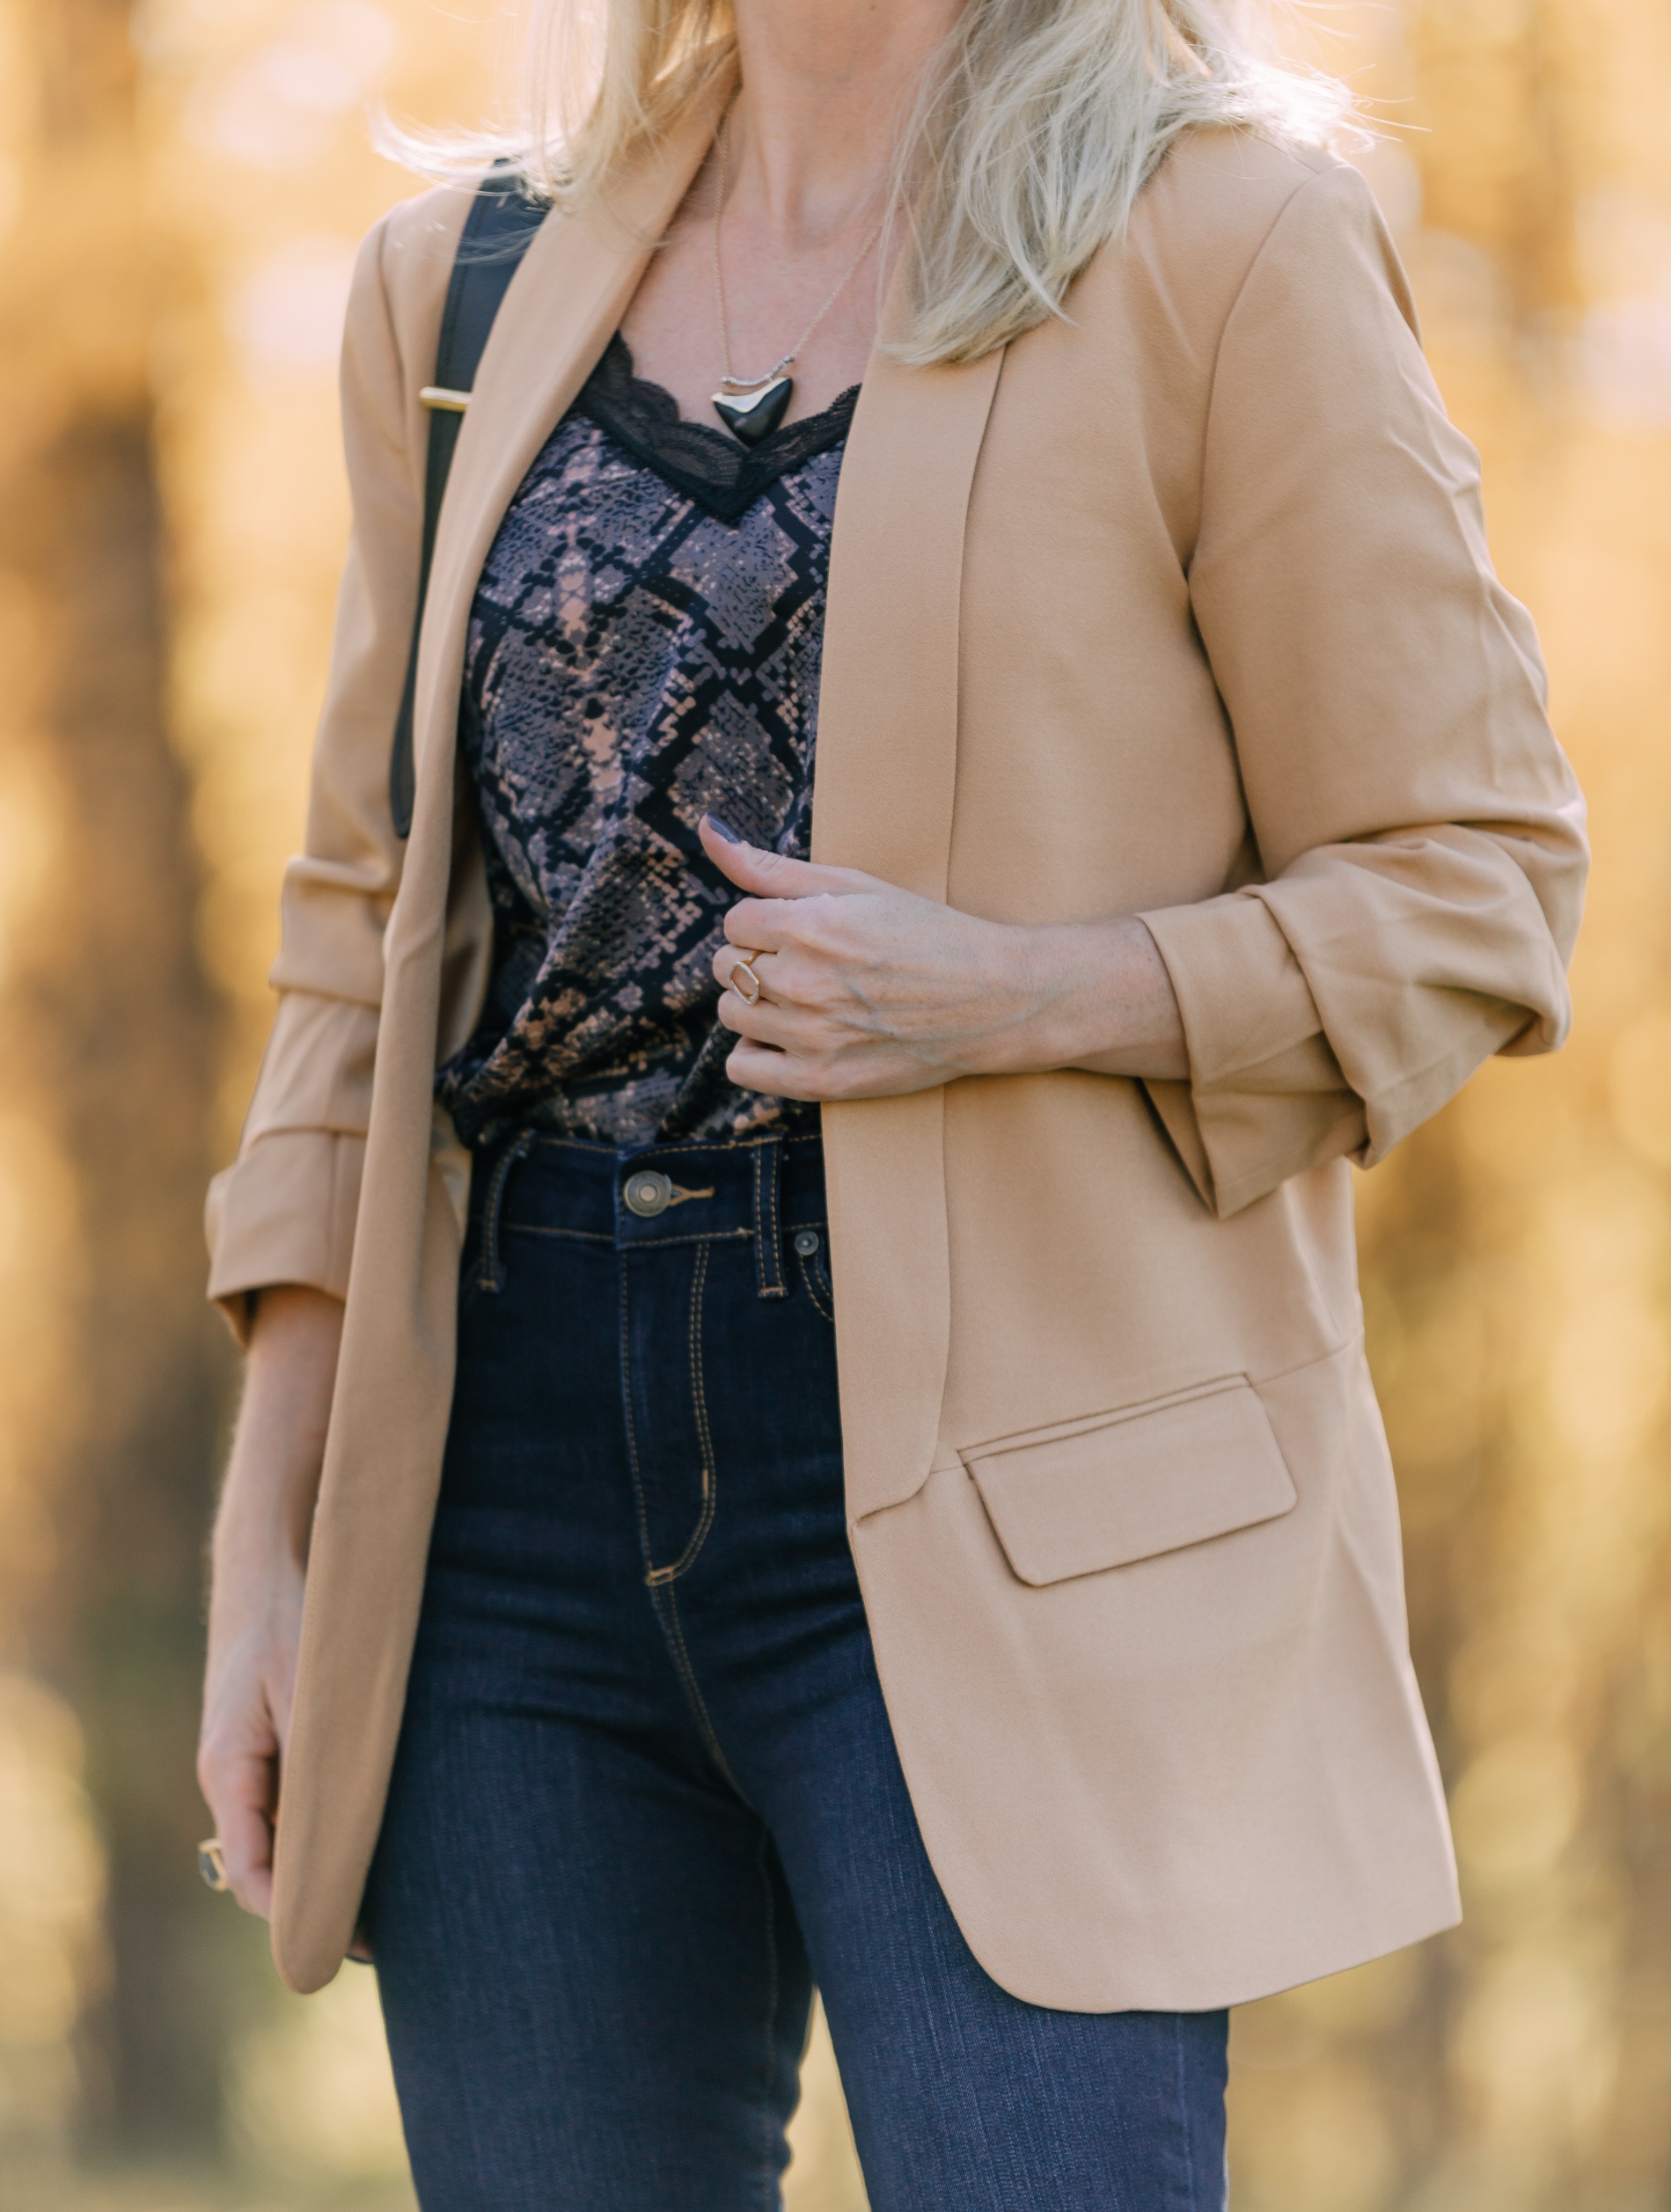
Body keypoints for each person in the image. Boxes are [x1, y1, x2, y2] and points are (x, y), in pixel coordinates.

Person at [195, 0, 1587, 2203]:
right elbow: (361, 924)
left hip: (1028, 1467)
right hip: (503, 1513)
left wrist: (1025, 992)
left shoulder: (1228, 244)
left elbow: (1476, 887)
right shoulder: (455, 287)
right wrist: (267, 1543)